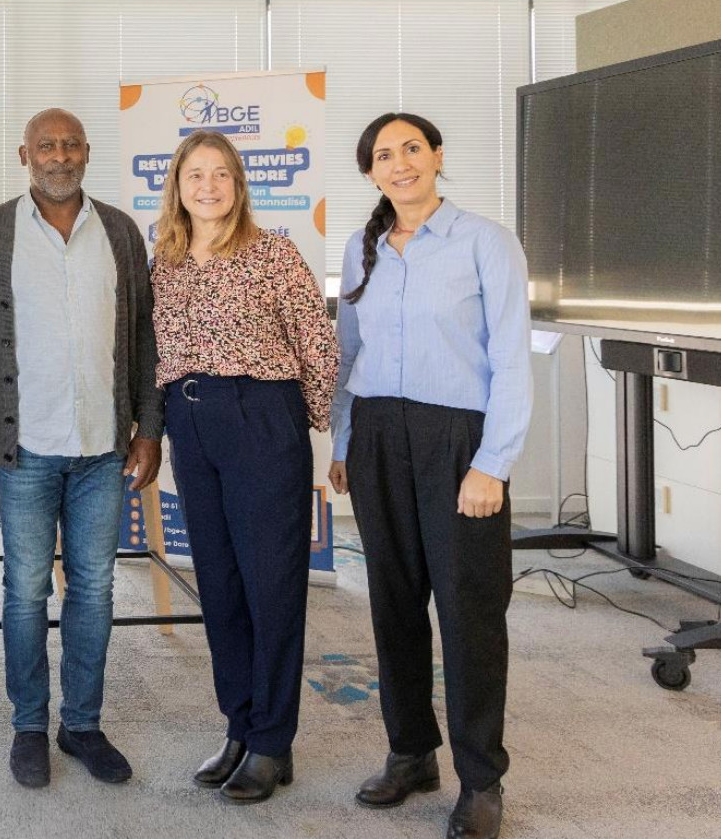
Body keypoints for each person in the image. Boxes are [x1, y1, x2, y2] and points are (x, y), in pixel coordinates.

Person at [0, 108, 162, 789]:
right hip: (24, 449)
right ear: (24, 153)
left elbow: (146, 338)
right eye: (46, 145)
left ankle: (84, 724)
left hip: (104, 447)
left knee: (94, 590)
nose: (59, 155)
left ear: (87, 152)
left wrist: (150, 427)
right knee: (25, 591)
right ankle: (30, 725)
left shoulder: (122, 232)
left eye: (70, 144)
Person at [328, 112, 531, 839]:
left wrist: (493, 463)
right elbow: (349, 357)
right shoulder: (362, 248)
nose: (401, 162)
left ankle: (481, 779)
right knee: (392, 603)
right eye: (385, 154)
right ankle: (411, 749)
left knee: (470, 613)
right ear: (371, 171)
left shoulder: (485, 241)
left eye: (413, 147)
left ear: (438, 156)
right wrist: (345, 441)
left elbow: (512, 358)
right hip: (380, 434)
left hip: (458, 442)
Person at [150, 129, 339, 804]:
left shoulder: (272, 253)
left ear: (239, 184)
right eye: (194, 174)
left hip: (261, 417)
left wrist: (318, 429)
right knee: (221, 585)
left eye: (220, 174)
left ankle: (271, 741)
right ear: (177, 186)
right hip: (190, 422)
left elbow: (319, 346)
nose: (207, 186)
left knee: (271, 584)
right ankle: (238, 724)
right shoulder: (164, 263)